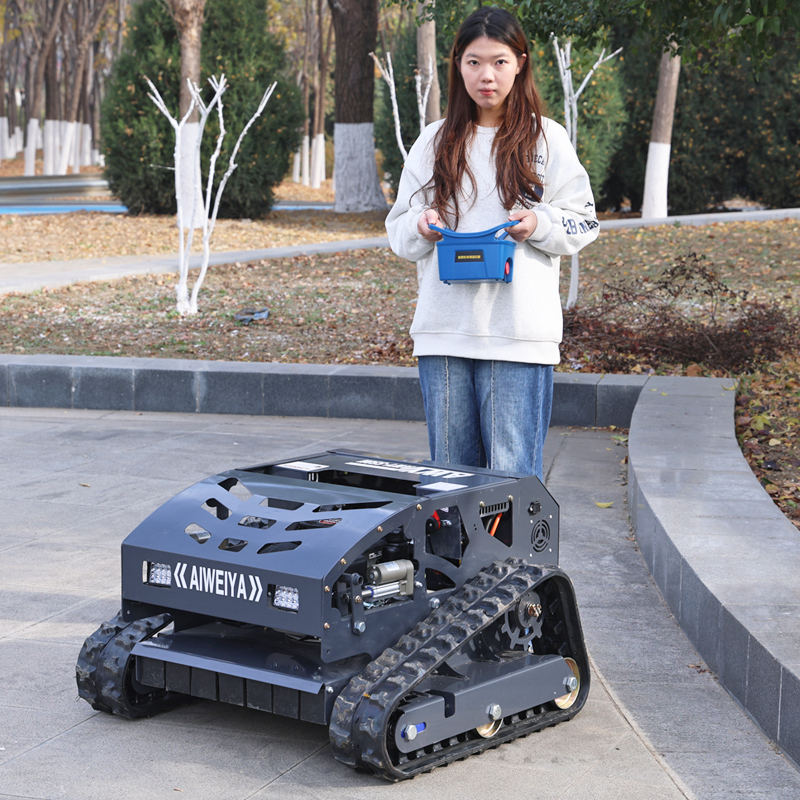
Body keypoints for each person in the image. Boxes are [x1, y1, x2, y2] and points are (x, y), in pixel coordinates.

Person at [385, 5, 599, 481]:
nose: (487, 76)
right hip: (445, 334)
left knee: (510, 480)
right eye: (474, 62)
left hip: (518, 336)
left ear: (520, 63)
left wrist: (538, 223)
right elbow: (397, 230)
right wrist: (421, 225)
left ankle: (512, 540)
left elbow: (585, 222)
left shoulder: (547, 139)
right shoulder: (433, 142)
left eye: (499, 62)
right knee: (450, 480)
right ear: (457, 64)